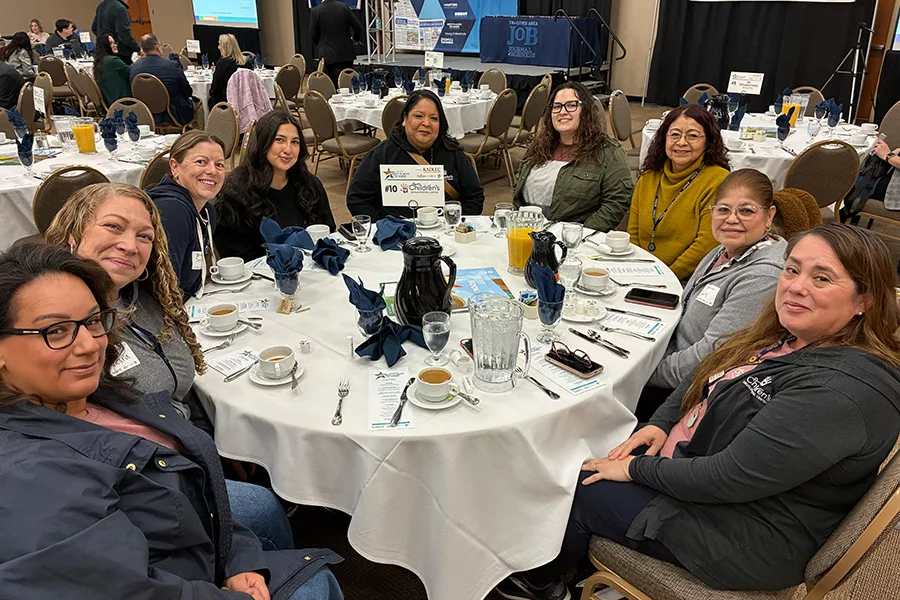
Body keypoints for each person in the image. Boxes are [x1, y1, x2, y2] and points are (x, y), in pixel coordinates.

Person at [497, 223, 900, 600]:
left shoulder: (837, 393)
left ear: (864, 299)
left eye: (822, 278)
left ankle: (542, 584)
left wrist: (635, 470)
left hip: (747, 534)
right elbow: (707, 376)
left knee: (582, 485)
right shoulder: (791, 334)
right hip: (710, 475)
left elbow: (728, 478)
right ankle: (579, 550)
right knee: (591, 441)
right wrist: (660, 424)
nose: (796, 287)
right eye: (792, 269)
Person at [0, 242, 345, 600]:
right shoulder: (32, 478)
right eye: (55, 331)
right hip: (175, 576)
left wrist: (243, 560)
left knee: (264, 512)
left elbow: (187, 486)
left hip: (188, 547)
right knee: (315, 584)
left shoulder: (93, 392)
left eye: (91, 321)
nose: (89, 345)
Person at [45, 182, 209, 427]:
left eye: (144, 236)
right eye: (113, 226)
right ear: (74, 234)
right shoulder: (57, 327)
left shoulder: (146, 298)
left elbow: (182, 396)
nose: (130, 247)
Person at [635, 168, 785, 422]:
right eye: (723, 209)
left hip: (687, 393)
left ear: (769, 216)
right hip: (668, 362)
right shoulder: (722, 252)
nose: (732, 219)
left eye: (746, 210)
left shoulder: (762, 276)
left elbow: (710, 358)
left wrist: (642, 373)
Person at [512, 82, 633, 232]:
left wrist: (580, 234)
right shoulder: (539, 145)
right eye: (557, 106)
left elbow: (617, 201)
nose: (562, 112)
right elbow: (518, 190)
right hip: (527, 231)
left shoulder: (607, 151)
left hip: (574, 240)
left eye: (571, 105)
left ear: (586, 110)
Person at [347, 89, 485, 220]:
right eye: (418, 116)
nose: (426, 123)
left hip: (445, 233)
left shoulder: (453, 153)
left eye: (434, 118)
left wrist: (454, 223)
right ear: (405, 119)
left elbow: (474, 198)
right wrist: (383, 226)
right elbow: (357, 199)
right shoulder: (381, 155)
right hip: (397, 236)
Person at [216, 111, 335, 261]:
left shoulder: (310, 185)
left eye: (295, 142)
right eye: (279, 140)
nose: (288, 150)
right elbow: (236, 258)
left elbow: (328, 230)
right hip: (261, 278)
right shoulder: (235, 194)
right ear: (263, 143)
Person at [628, 104, 730, 280]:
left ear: (708, 142)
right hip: (640, 272)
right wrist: (637, 270)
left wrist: (664, 277)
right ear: (664, 139)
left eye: (692, 136)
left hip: (685, 278)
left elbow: (706, 245)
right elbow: (633, 233)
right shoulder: (649, 176)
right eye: (674, 134)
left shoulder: (718, 180)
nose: (682, 142)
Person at [147, 131, 226, 299]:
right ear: (175, 166)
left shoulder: (207, 212)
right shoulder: (172, 212)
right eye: (200, 162)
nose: (212, 171)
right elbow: (163, 291)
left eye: (219, 164)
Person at [130, 34, 194, 126]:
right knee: (198, 103)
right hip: (173, 115)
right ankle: (197, 132)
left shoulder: (133, 68)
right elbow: (187, 92)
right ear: (158, 47)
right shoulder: (172, 66)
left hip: (146, 114)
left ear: (142, 50)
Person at [310, 0, 363, 86]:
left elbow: (313, 35)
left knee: (332, 87)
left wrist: (321, 45)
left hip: (327, 56)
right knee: (348, 85)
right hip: (346, 54)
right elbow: (359, 28)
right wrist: (354, 39)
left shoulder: (316, 11)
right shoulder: (344, 8)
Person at [208, 33, 251, 109]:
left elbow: (215, 90)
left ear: (225, 47)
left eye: (219, 44)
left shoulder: (222, 63)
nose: (218, 47)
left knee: (210, 100)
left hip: (227, 103)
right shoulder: (246, 63)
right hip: (246, 102)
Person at [92, 0, 140, 65]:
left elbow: (94, 28)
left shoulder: (101, 6)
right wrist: (137, 48)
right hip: (121, 54)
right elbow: (123, 34)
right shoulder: (121, 9)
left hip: (104, 53)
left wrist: (106, 40)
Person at [92, 35, 130, 106]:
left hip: (107, 100)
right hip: (122, 101)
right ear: (105, 46)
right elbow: (130, 72)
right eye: (111, 43)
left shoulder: (99, 60)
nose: (115, 45)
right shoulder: (113, 61)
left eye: (114, 42)